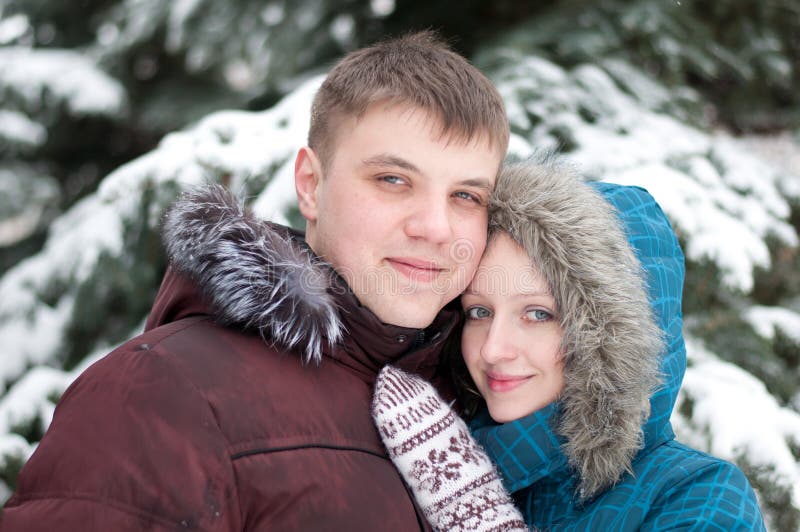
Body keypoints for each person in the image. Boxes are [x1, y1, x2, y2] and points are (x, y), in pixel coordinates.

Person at [2, 32, 510, 531]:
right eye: (393, 180)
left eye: (466, 196)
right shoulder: (163, 392)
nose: (436, 228)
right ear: (311, 185)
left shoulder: (491, 407)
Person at [373, 159, 766, 530]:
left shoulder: (697, 495)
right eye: (480, 312)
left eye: (539, 314)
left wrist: (480, 516)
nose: (493, 350)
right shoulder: (430, 450)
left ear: (613, 339)